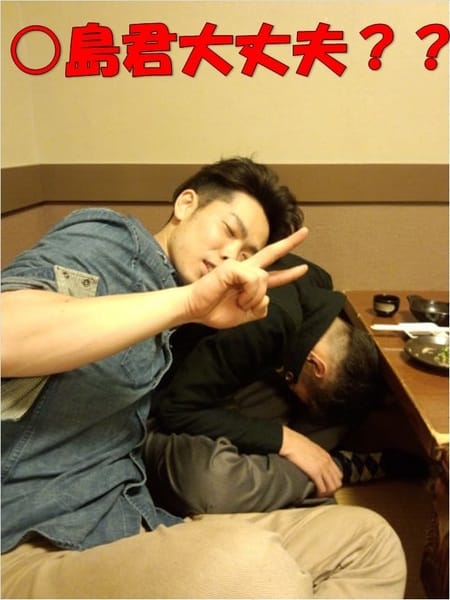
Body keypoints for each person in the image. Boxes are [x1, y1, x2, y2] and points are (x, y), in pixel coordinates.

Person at [1, 157, 406, 599]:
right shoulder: (114, 244)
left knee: (371, 541)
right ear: (186, 204)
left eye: (248, 254)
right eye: (228, 230)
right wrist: (188, 304)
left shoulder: (200, 304)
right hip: (31, 541)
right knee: (256, 567)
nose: (233, 256)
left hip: (129, 518)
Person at [145, 253, 386, 515]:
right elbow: (176, 409)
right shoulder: (267, 323)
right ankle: (331, 470)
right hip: (158, 408)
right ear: (316, 365)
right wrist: (287, 441)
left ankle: (308, 467)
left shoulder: (316, 282)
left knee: (342, 409)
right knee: (212, 487)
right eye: (291, 380)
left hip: (216, 387)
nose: (288, 382)